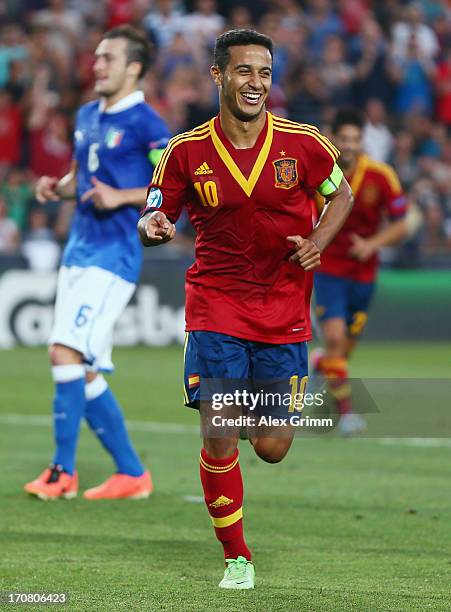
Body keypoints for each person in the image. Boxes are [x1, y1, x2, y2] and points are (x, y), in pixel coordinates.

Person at [138, 29, 353, 589]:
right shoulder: (183, 152)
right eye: (243, 72)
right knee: (221, 431)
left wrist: (319, 241)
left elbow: (342, 194)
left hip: (284, 312)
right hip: (216, 309)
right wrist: (154, 228)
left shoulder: (304, 144)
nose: (255, 83)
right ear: (218, 76)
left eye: (264, 72)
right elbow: (156, 214)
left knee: (274, 447)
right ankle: (237, 556)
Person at [24, 25, 170, 500]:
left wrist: (123, 196)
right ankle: (131, 473)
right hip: (78, 252)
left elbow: (170, 185)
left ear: (134, 68)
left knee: (64, 351)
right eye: (97, 57)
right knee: (81, 367)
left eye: (108, 58)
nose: (97, 65)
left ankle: (62, 473)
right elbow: (81, 178)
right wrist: (57, 186)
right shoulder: (87, 115)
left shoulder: (149, 124)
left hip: (114, 256)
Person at [312, 108, 408, 435]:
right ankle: (348, 414)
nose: (350, 145)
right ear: (333, 139)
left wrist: (371, 245)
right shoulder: (318, 174)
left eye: (356, 139)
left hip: (364, 276)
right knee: (336, 338)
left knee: (343, 350)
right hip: (327, 270)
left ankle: (320, 363)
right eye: (344, 139)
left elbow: (402, 225)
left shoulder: (381, 176)